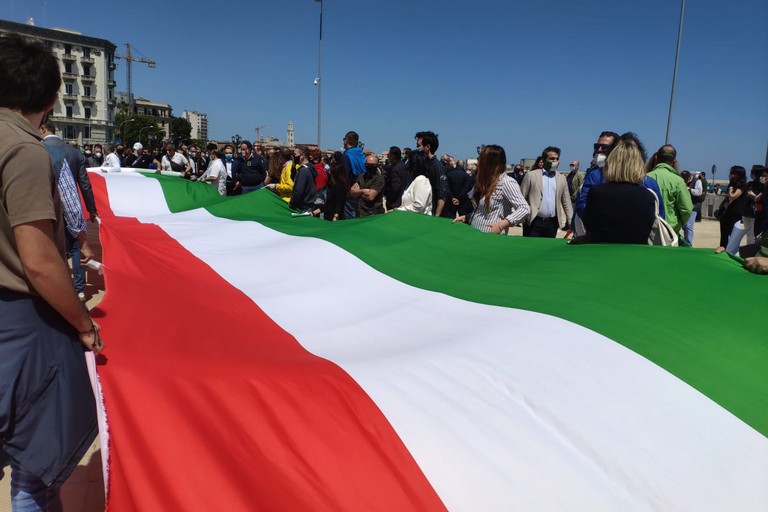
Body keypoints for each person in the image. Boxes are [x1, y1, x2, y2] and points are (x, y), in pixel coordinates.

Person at [0, 33, 103, 512]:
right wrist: (84, 325)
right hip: (19, 321)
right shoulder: (24, 151)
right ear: (52, 98)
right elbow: (39, 260)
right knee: (34, 467)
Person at [576, 131, 665, 229]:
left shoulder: (649, 183)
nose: (624, 156)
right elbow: (583, 206)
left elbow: (658, 216)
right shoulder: (596, 175)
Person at [453, 145, 529, 234]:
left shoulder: (506, 182)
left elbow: (524, 209)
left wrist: (501, 226)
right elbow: (484, 212)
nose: (479, 162)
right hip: (476, 235)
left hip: (491, 238)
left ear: (491, 163)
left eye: (481, 159)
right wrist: (467, 217)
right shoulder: (486, 182)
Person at [520, 146, 573, 237]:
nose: (555, 161)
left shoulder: (561, 178)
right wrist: (522, 218)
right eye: (552, 158)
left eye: (557, 159)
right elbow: (521, 197)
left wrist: (570, 220)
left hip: (552, 224)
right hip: (533, 222)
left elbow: (566, 201)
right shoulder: (531, 175)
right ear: (544, 160)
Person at [646, 144, 693, 236]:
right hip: (670, 231)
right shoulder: (678, 181)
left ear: (656, 158)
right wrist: (678, 224)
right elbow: (687, 209)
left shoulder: (646, 177)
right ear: (674, 160)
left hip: (648, 229)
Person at [415, 131, 450, 216]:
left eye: (419, 146)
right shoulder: (424, 165)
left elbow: (442, 194)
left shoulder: (437, 167)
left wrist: (435, 217)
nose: (417, 148)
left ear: (427, 147)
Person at [715, 166, 747, 254]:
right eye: (732, 173)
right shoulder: (732, 184)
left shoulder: (743, 185)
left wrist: (730, 189)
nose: (732, 175)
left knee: (732, 232)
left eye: (735, 173)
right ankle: (723, 246)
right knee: (724, 229)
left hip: (736, 212)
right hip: (727, 211)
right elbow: (727, 198)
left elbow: (733, 196)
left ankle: (732, 249)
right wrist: (720, 207)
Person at [394, 150, 433, 215]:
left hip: (418, 221)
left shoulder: (421, 180)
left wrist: (399, 210)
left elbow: (419, 206)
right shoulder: (415, 180)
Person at [341, 131, 366, 218]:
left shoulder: (347, 155)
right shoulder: (361, 154)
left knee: (350, 216)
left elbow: (345, 174)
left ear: (346, 140)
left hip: (350, 190)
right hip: (362, 188)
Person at [289, 146, 318, 212]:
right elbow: (293, 178)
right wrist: (293, 166)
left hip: (303, 207)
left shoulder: (303, 171)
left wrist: (292, 203)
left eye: (295, 155)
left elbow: (298, 191)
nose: (293, 157)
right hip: (308, 205)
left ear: (302, 155)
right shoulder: (309, 168)